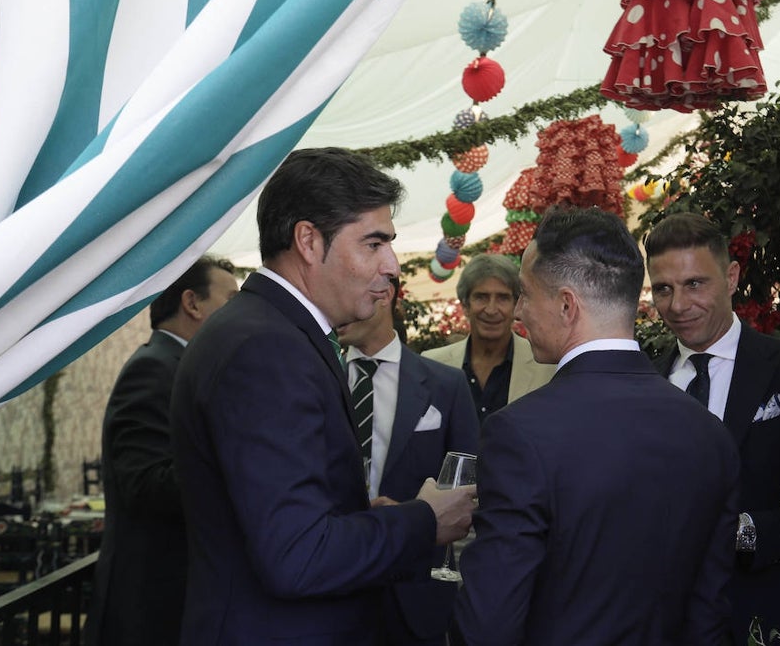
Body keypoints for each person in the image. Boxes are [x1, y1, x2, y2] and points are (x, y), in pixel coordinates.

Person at [170, 147, 475, 645]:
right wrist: (423, 521)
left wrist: (365, 517)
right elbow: (297, 556)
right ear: (309, 241)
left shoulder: (270, 332)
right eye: (373, 244)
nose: (393, 266)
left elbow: (283, 518)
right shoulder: (267, 349)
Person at [453, 207, 740, 646]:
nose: (519, 314)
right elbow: (708, 615)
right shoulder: (708, 433)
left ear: (567, 305)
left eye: (525, 295)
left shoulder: (520, 433)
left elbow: (489, 623)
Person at [644, 211, 780, 644]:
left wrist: (744, 533)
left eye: (694, 284)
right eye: (663, 289)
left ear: (732, 276)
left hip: (768, 616)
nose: (678, 305)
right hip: (661, 622)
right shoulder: (643, 379)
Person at [86, 255, 238, 646]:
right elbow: (146, 484)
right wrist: (240, 458)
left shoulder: (184, 368)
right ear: (192, 303)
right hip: (153, 607)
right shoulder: (154, 370)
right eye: (231, 300)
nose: (239, 314)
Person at [335, 282, 480, 645]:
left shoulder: (446, 384)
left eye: (344, 294)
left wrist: (413, 518)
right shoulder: (320, 379)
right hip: (334, 585)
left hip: (416, 593)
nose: (332, 308)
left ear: (384, 296)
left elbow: (470, 487)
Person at [422, 253, 553, 423]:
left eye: (502, 298)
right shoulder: (432, 365)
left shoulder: (545, 367)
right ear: (465, 305)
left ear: (516, 305)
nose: (491, 310)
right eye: (481, 297)